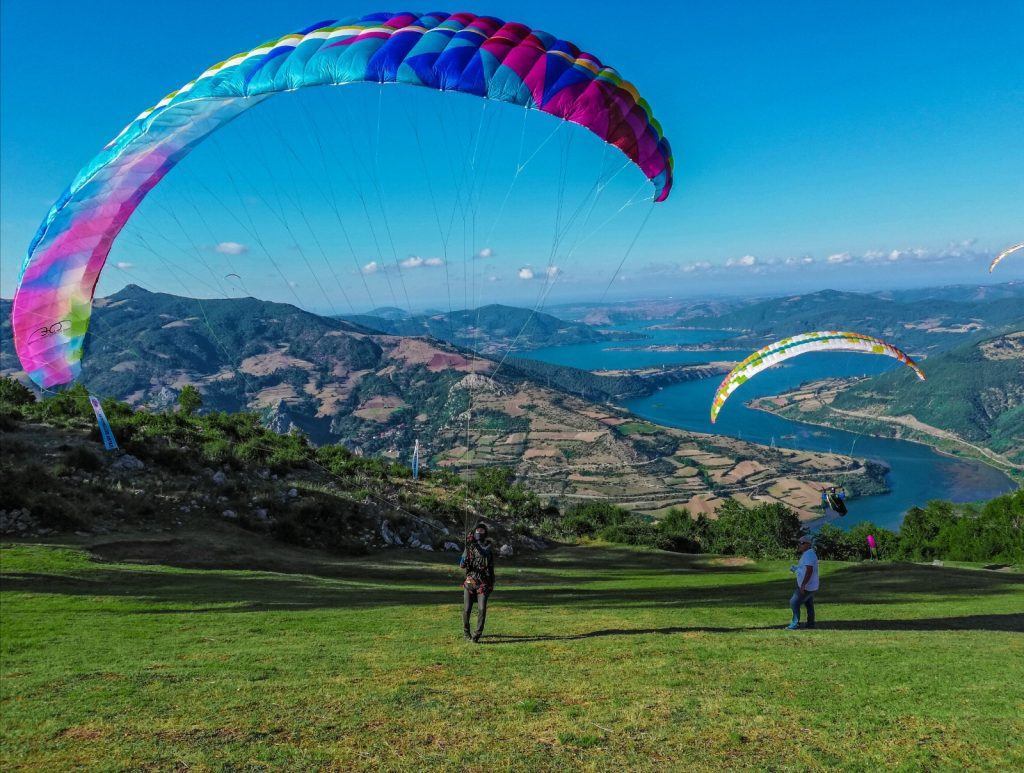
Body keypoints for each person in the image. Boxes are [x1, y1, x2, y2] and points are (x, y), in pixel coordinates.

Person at [459, 521, 495, 643]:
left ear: (485, 533)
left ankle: (477, 634)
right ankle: (466, 632)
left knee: (482, 609)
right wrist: (466, 553)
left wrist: (492, 584)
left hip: (483, 582)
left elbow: (485, 556)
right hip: (470, 581)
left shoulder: (488, 546)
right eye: (477, 531)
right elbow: (462, 565)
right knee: (467, 609)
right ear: (474, 532)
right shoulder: (469, 547)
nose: (479, 532)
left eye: (482, 530)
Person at [787, 535, 819, 630]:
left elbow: (809, 570)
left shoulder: (809, 554)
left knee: (794, 602)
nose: (799, 545)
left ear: (808, 544)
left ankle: (795, 624)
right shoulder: (808, 553)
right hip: (810, 585)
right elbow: (805, 568)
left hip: (807, 586)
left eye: (801, 543)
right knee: (809, 604)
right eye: (799, 543)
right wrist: (796, 568)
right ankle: (810, 624)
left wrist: (803, 585)